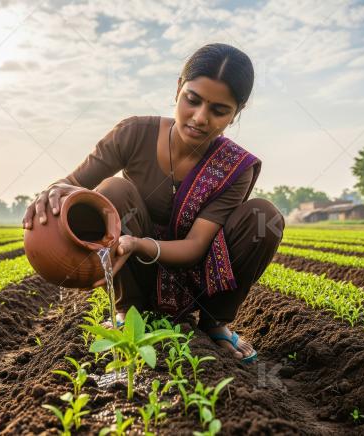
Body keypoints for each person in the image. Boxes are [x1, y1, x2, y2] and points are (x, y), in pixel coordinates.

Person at [22, 43, 284, 363]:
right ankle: (128, 312)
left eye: (219, 110)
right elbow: (73, 185)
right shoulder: (134, 133)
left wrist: (141, 244)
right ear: (178, 89)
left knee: (263, 216)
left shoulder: (235, 167)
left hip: (196, 280)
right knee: (113, 191)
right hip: (137, 273)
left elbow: (195, 246)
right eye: (193, 100)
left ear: (236, 112)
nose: (200, 118)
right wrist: (50, 192)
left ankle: (214, 323)